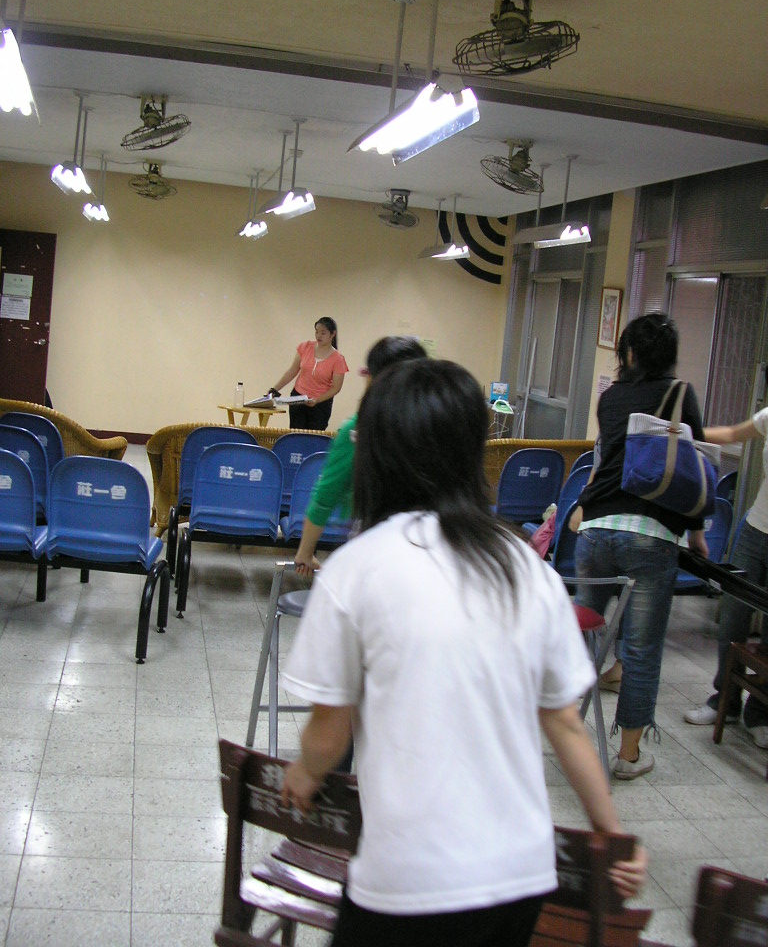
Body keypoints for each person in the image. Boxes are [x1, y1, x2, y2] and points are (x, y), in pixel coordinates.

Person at [280, 357, 647, 947]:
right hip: (520, 877)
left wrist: (303, 774)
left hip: (408, 876)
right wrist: (612, 832)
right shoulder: (524, 566)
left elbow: (330, 730)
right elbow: (565, 724)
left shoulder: (358, 568)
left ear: (380, 455)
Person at [571, 313, 709, 780]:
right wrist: (696, 533)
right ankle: (628, 756)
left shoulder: (611, 397)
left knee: (584, 632)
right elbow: (691, 468)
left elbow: (607, 458)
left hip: (597, 527)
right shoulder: (680, 394)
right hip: (651, 536)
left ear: (628, 353)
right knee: (643, 648)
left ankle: (563, 728)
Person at [294, 335, 427, 577]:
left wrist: (305, 553)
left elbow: (325, 497)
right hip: (430, 553)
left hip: (374, 554)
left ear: (375, 379)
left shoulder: (359, 430)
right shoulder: (435, 430)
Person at [683, 406, 768, 742]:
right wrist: (685, 434)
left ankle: (759, 712)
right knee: (733, 616)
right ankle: (725, 701)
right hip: (755, 530)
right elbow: (733, 434)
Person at [266, 316, 348, 431]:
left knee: (313, 436)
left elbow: (336, 388)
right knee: (295, 434)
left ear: (332, 334)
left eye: (323, 333)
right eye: (317, 332)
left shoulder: (338, 359)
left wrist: (317, 400)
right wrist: (275, 389)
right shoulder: (305, 347)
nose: (318, 336)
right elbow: (292, 371)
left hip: (320, 403)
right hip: (298, 397)